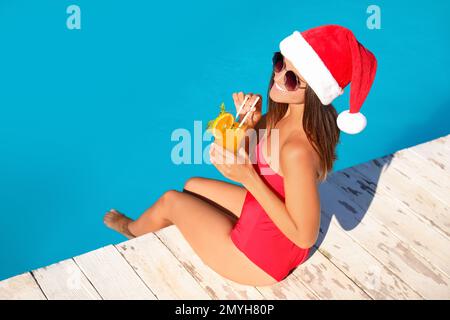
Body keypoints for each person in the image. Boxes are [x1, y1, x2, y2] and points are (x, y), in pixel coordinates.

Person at [104, 25, 377, 286]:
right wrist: (250, 121)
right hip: (266, 224)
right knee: (192, 186)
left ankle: (131, 230)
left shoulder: (298, 150)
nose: (279, 78)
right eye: (280, 63)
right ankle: (173, 227)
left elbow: (305, 236)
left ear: (316, 93)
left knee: (170, 201)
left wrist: (248, 178)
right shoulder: (289, 117)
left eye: (292, 79)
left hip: (260, 259)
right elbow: (258, 157)